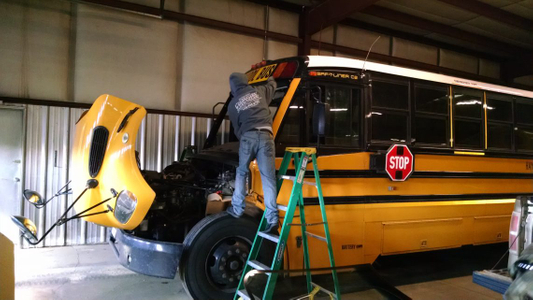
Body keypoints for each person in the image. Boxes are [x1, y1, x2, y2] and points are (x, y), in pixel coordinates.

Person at [226, 72, 279, 234]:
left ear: (233, 86)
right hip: (266, 136)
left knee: (242, 172)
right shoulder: (259, 91)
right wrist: (270, 75)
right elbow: (273, 85)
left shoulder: (233, 104)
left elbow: (236, 128)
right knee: (268, 178)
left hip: (248, 136)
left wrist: (246, 139)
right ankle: (272, 219)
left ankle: (237, 208)